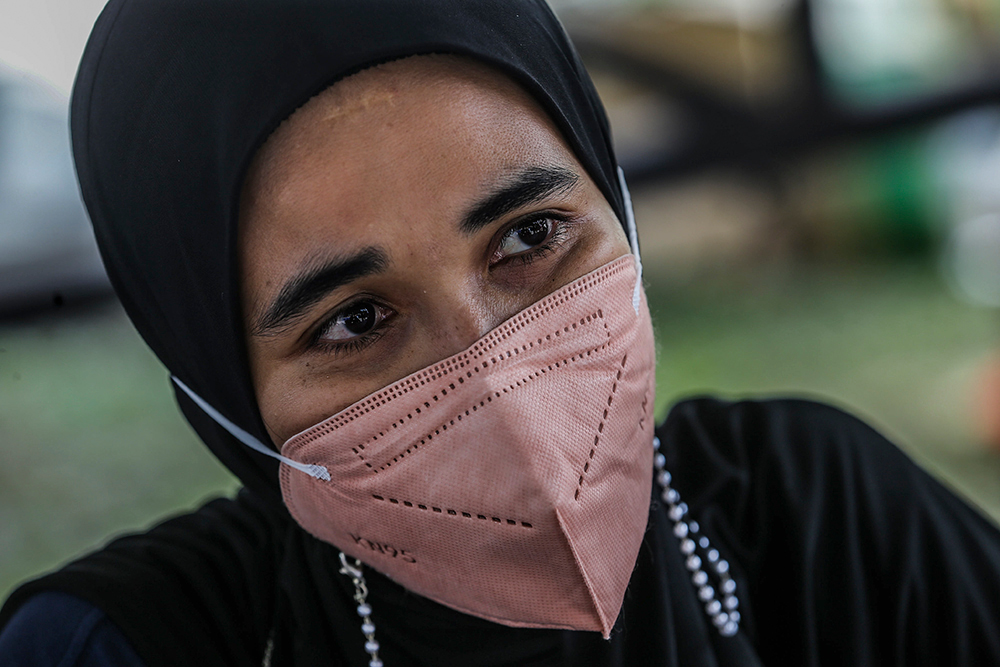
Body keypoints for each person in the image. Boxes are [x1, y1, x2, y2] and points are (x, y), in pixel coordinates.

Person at [3, 1, 1000, 665]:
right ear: (222, 394)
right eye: (356, 320)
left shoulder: (817, 521)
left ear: (615, 210)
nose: (504, 388)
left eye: (530, 236)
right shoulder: (124, 646)